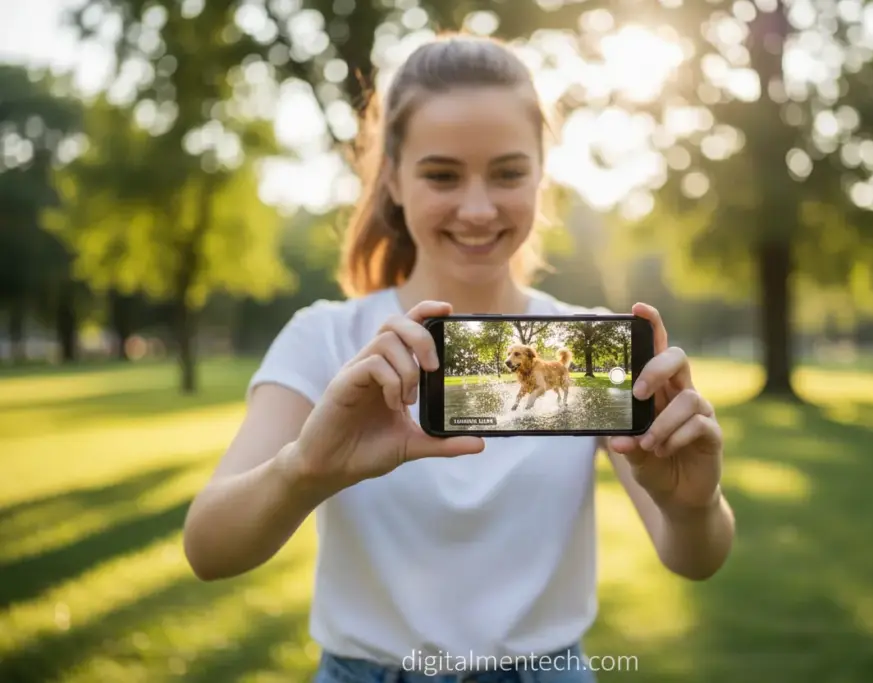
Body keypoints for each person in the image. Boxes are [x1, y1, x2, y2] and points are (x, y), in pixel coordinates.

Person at [182, 33, 735, 683]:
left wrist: (692, 506)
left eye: (507, 172)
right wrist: (305, 468)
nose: (477, 208)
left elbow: (694, 557)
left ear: (541, 172)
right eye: (442, 174)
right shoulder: (328, 338)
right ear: (391, 176)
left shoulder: (582, 348)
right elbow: (208, 546)